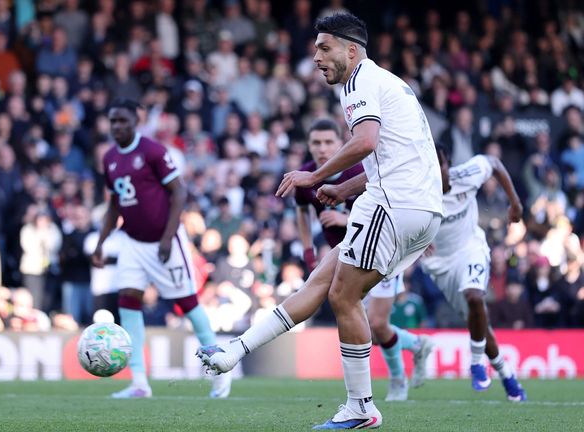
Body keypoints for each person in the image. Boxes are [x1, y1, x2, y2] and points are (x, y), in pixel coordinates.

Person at [198, 13, 443, 429]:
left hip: (394, 204)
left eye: (324, 47)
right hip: (418, 207)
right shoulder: (390, 82)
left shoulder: (359, 81)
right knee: (321, 281)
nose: (316, 57)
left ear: (352, 49)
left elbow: (365, 142)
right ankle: (233, 352)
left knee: (343, 297)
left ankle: (361, 407)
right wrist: (345, 190)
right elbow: (393, 157)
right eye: (315, 48)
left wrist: (315, 175)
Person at [93, 99, 232, 399]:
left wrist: (168, 237)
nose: (117, 126)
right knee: (128, 301)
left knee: (188, 303)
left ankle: (221, 371)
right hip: (132, 241)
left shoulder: (153, 151)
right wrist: (101, 243)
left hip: (164, 240)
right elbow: (114, 204)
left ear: (136, 120)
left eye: (122, 121)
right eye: (112, 121)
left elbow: (179, 191)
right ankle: (139, 382)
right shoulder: (110, 159)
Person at [295, 118, 433, 402]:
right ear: (309, 146)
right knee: (368, 324)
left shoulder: (362, 171)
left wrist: (343, 218)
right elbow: (302, 212)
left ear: (341, 142)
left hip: (380, 252)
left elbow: (388, 207)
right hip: (346, 260)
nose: (322, 149)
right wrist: (308, 249)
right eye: (316, 143)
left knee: (377, 323)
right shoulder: (308, 176)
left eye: (328, 142)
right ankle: (416, 344)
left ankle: (397, 382)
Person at [419, 147, 527, 401]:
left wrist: (515, 202)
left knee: (475, 297)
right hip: (440, 265)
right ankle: (507, 373)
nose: (437, 170)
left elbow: (494, 163)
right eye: (431, 165)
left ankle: (477, 362)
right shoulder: (418, 190)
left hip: (471, 249)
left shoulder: (466, 174)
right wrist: (417, 240)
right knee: (479, 322)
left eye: (441, 164)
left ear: (449, 165)